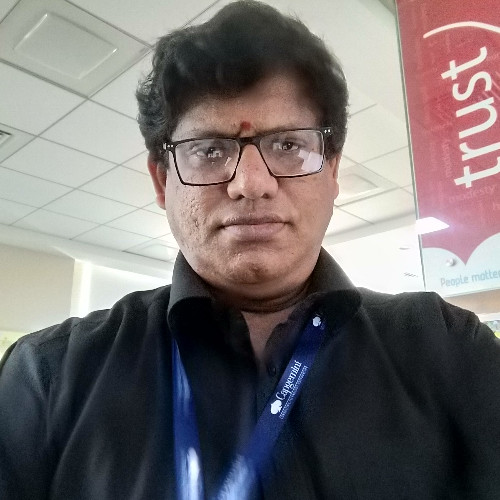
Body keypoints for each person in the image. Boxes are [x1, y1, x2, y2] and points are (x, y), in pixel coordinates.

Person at [1, 1, 499, 499]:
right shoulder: (47, 379)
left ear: (331, 172)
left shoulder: (450, 349)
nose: (251, 184)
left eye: (288, 145)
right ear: (162, 181)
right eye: (210, 150)